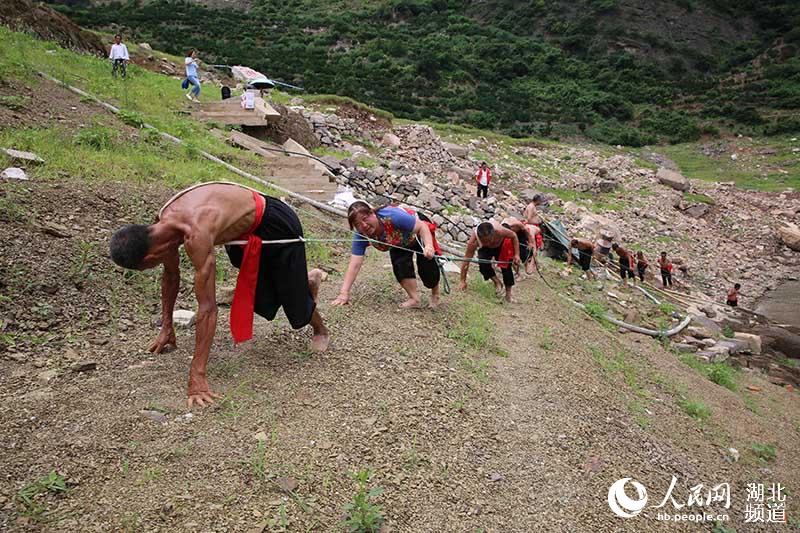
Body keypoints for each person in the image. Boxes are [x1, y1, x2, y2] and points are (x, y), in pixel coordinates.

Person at [108, 182, 329, 407]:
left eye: (145, 269)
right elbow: (171, 276)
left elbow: (208, 308)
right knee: (260, 295)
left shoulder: (196, 233)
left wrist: (197, 376)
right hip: (242, 231)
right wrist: (167, 326)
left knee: (292, 296)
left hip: (275, 222)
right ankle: (306, 281)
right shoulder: (161, 228)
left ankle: (319, 327)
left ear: (147, 259)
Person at [332, 201, 441, 309]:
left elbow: (422, 227)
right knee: (400, 267)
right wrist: (344, 293)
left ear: (372, 213)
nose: (364, 225)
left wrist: (429, 246)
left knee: (427, 268)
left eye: (365, 219)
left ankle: (435, 293)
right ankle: (414, 299)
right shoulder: (361, 235)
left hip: (419, 233)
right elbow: (354, 265)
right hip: (398, 241)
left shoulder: (392, 216)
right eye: (358, 224)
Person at [459, 220, 521, 303]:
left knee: (506, 267)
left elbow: (514, 236)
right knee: (483, 264)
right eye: (485, 241)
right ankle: (497, 282)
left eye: (489, 240)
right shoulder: (473, 241)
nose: (488, 243)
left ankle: (508, 294)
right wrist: (463, 281)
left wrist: (516, 254)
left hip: (501, 245)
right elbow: (466, 260)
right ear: (479, 238)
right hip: (485, 249)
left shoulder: (500, 231)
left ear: (494, 234)